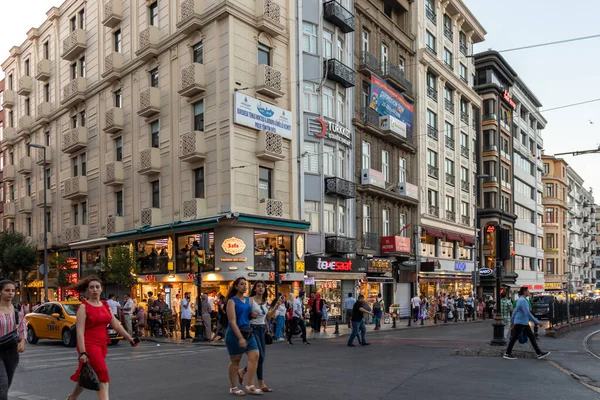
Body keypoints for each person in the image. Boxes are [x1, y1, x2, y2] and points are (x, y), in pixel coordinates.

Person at [67, 276, 137, 400]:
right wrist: (83, 352)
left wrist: (129, 338)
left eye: (97, 287)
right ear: (88, 290)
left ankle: (72, 398)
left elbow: (115, 324)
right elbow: (79, 331)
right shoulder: (83, 307)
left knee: (89, 372)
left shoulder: (105, 305)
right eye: (92, 287)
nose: (95, 289)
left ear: (101, 289)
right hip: (88, 344)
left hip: (101, 344)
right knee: (102, 372)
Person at [225, 278, 262, 395]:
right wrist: (240, 338)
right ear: (236, 287)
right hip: (235, 333)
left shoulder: (247, 300)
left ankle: (250, 384)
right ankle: (233, 387)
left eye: (245, 284)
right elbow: (232, 321)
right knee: (236, 360)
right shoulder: (232, 301)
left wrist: (252, 314)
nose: (244, 286)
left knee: (255, 355)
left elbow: (246, 315)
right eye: (241, 284)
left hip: (248, 331)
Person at [238, 281, 272, 393]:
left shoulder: (264, 302)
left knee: (261, 357)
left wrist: (276, 305)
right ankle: (260, 383)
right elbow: (244, 313)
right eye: (258, 286)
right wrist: (250, 314)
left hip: (262, 329)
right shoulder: (250, 300)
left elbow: (268, 317)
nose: (261, 288)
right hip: (253, 329)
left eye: (263, 286)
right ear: (255, 289)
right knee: (259, 356)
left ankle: (243, 371)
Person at [504, 287, 550, 360]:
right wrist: (537, 322)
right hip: (521, 323)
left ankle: (539, 353)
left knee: (531, 337)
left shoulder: (521, 300)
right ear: (524, 292)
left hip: (522, 322)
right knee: (514, 338)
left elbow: (515, 312)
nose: (529, 292)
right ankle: (507, 353)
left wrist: (512, 322)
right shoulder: (523, 301)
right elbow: (527, 313)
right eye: (528, 291)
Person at [0, 280, 26, 400]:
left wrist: (22, 342)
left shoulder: (17, 312)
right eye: (7, 290)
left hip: (11, 351)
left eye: (12, 291)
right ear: (0, 292)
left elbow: (22, 328)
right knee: (3, 384)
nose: (10, 293)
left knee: (7, 384)